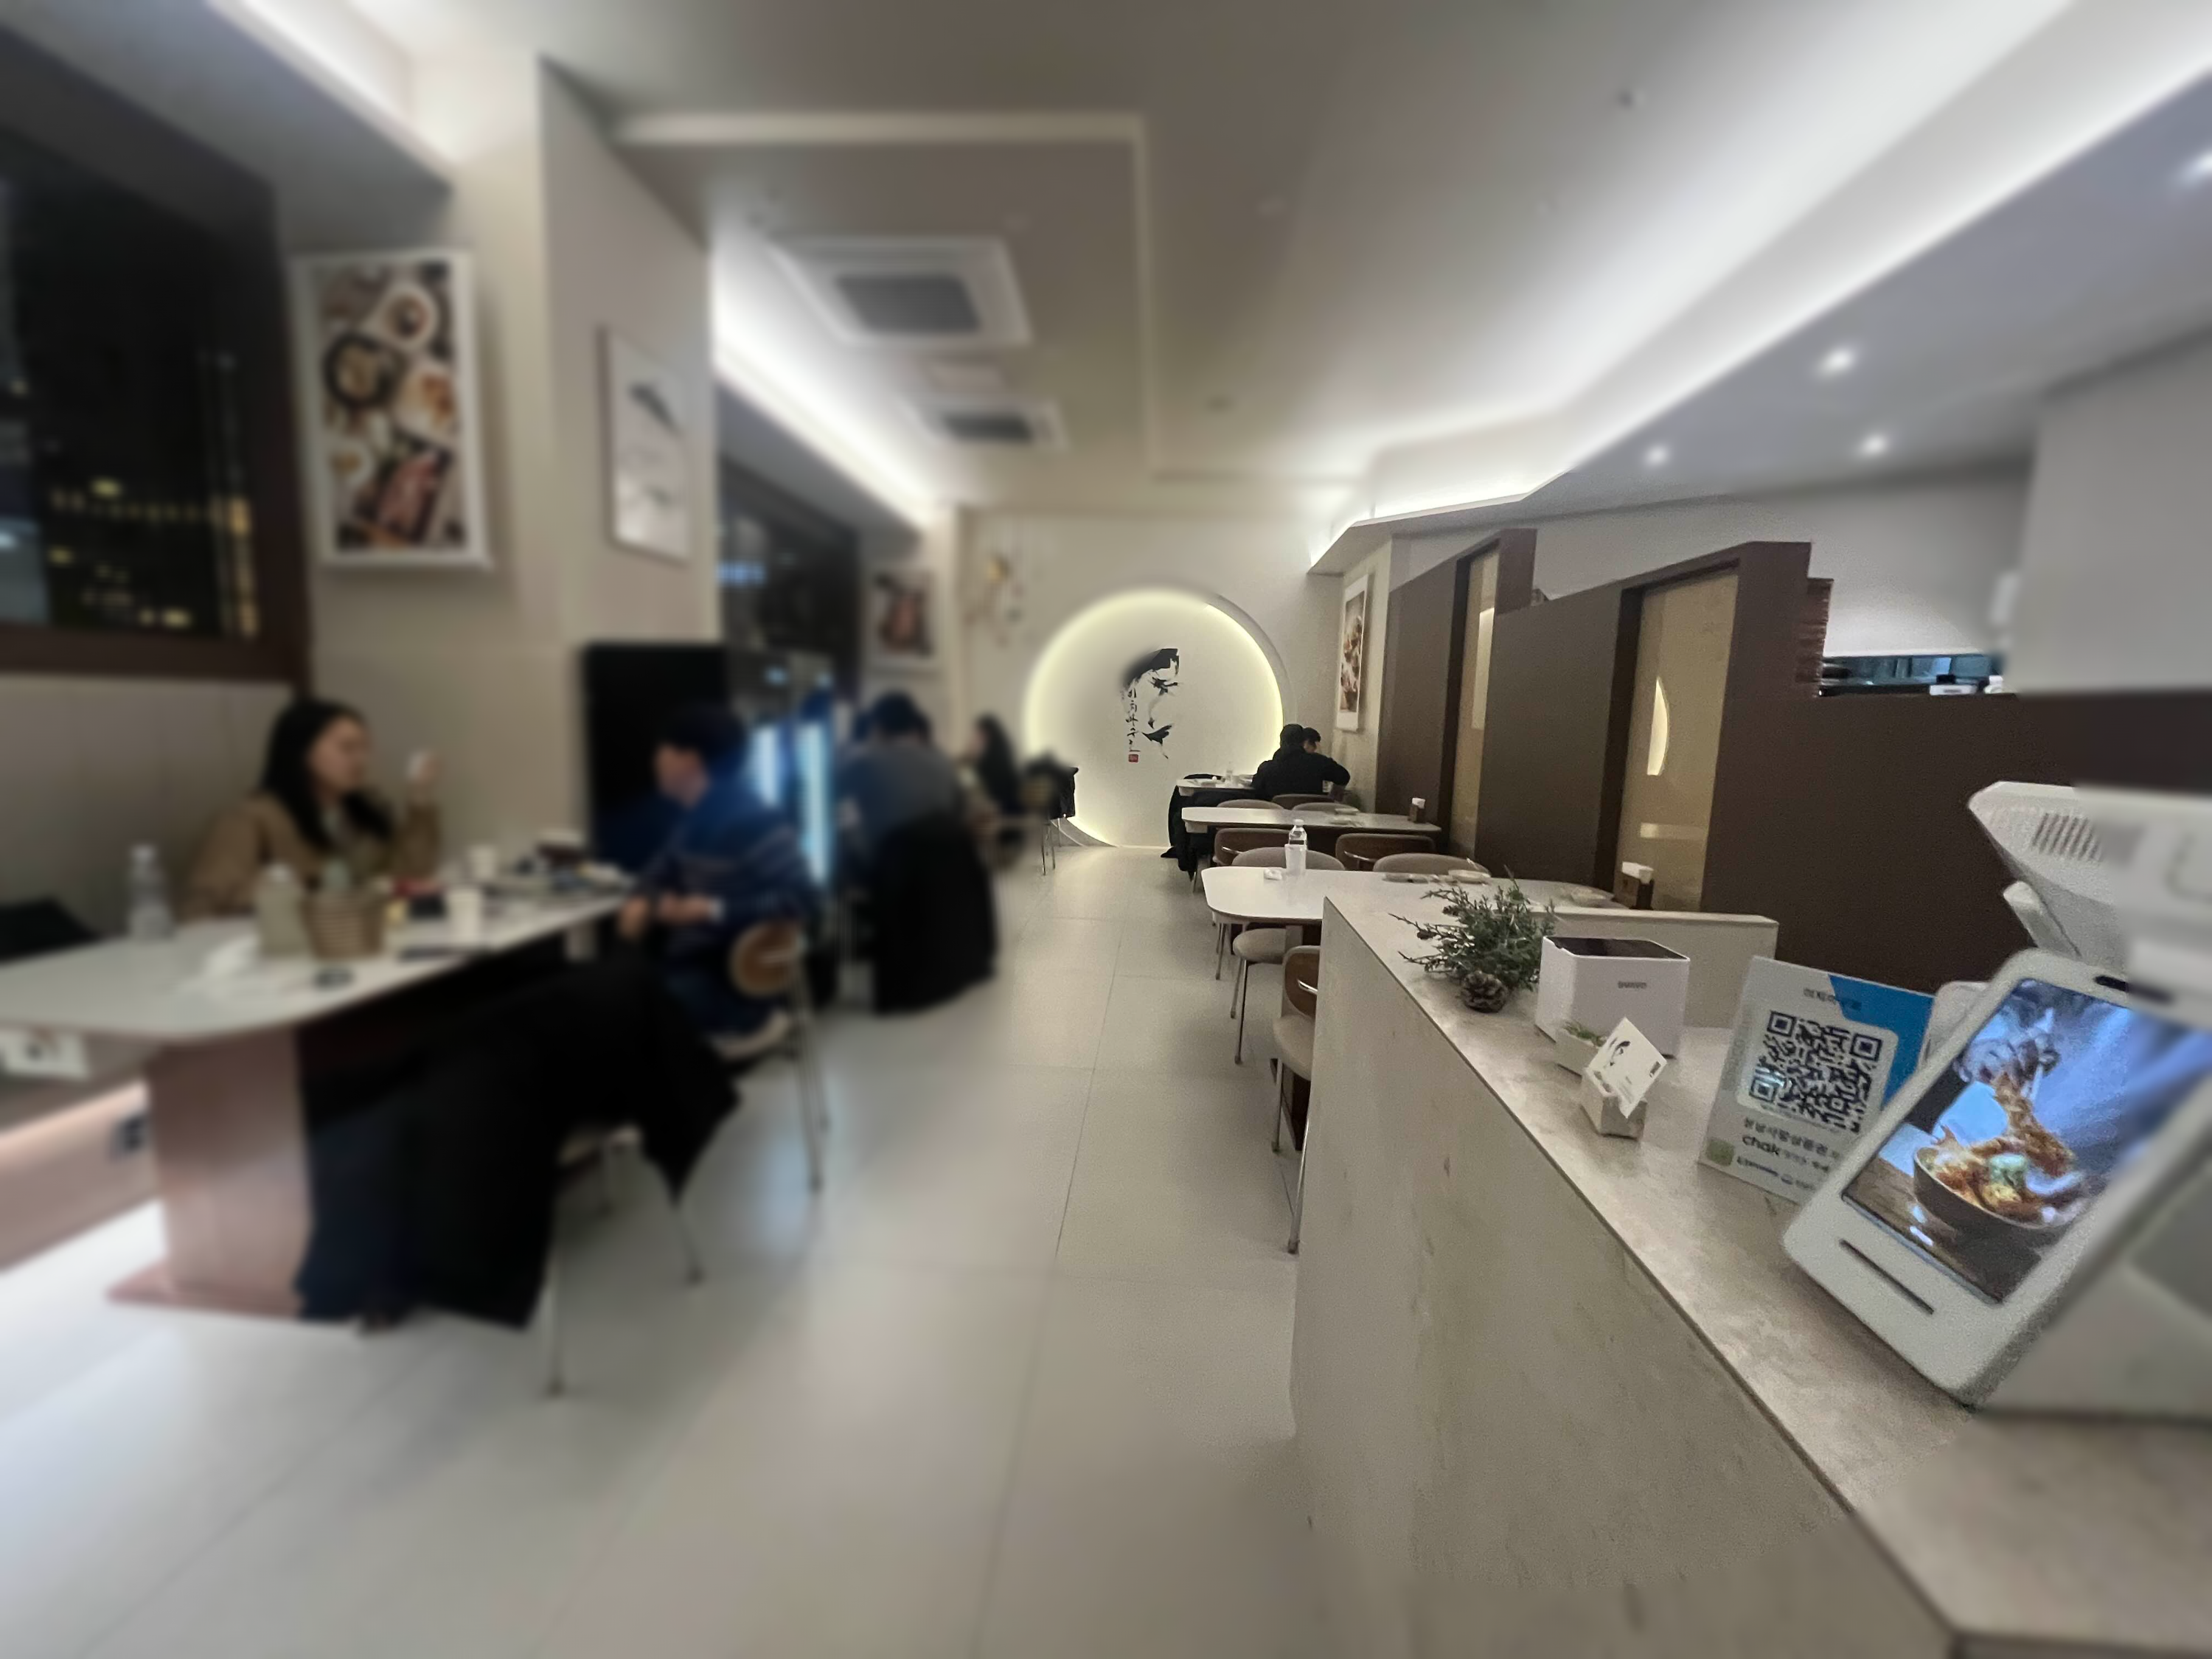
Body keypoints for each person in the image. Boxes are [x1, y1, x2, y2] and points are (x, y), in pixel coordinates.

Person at [619, 704, 816, 1039]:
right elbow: (655, 874)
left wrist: (711, 910)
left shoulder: (753, 822)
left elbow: (807, 899)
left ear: (689, 760)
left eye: (661, 749)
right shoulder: (692, 821)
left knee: (614, 1017)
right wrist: (645, 900)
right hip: (692, 970)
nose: (655, 760)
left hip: (734, 985)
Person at [184, 698, 439, 919]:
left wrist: (419, 796)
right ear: (301, 750)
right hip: (283, 945)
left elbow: (409, 874)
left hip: (359, 934)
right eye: (347, 748)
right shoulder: (251, 817)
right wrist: (282, 890)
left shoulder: (362, 809)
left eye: (365, 749)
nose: (361, 760)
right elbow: (205, 906)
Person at [837, 690, 964, 870]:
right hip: (943, 873)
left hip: (886, 873)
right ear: (912, 726)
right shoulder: (943, 761)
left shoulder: (865, 763)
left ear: (877, 728)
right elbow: (959, 810)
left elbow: (829, 797)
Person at [1252, 722, 1352, 802]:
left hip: (1275, 819)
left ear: (1281, 743)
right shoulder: (1319, 763)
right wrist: (1331, 798)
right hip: (1313, 818)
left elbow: (1257, 793)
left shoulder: (1267, 768)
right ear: (1303, 743)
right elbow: (1344, 776)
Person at [963, 714, 1024, 819]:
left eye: (979, 734)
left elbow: (984, 776)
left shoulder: (994, 755)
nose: (976, 738)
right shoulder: (1002, 749)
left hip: (1005, 811)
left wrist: (971, 758)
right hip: (1011, 806)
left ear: (986, 733)